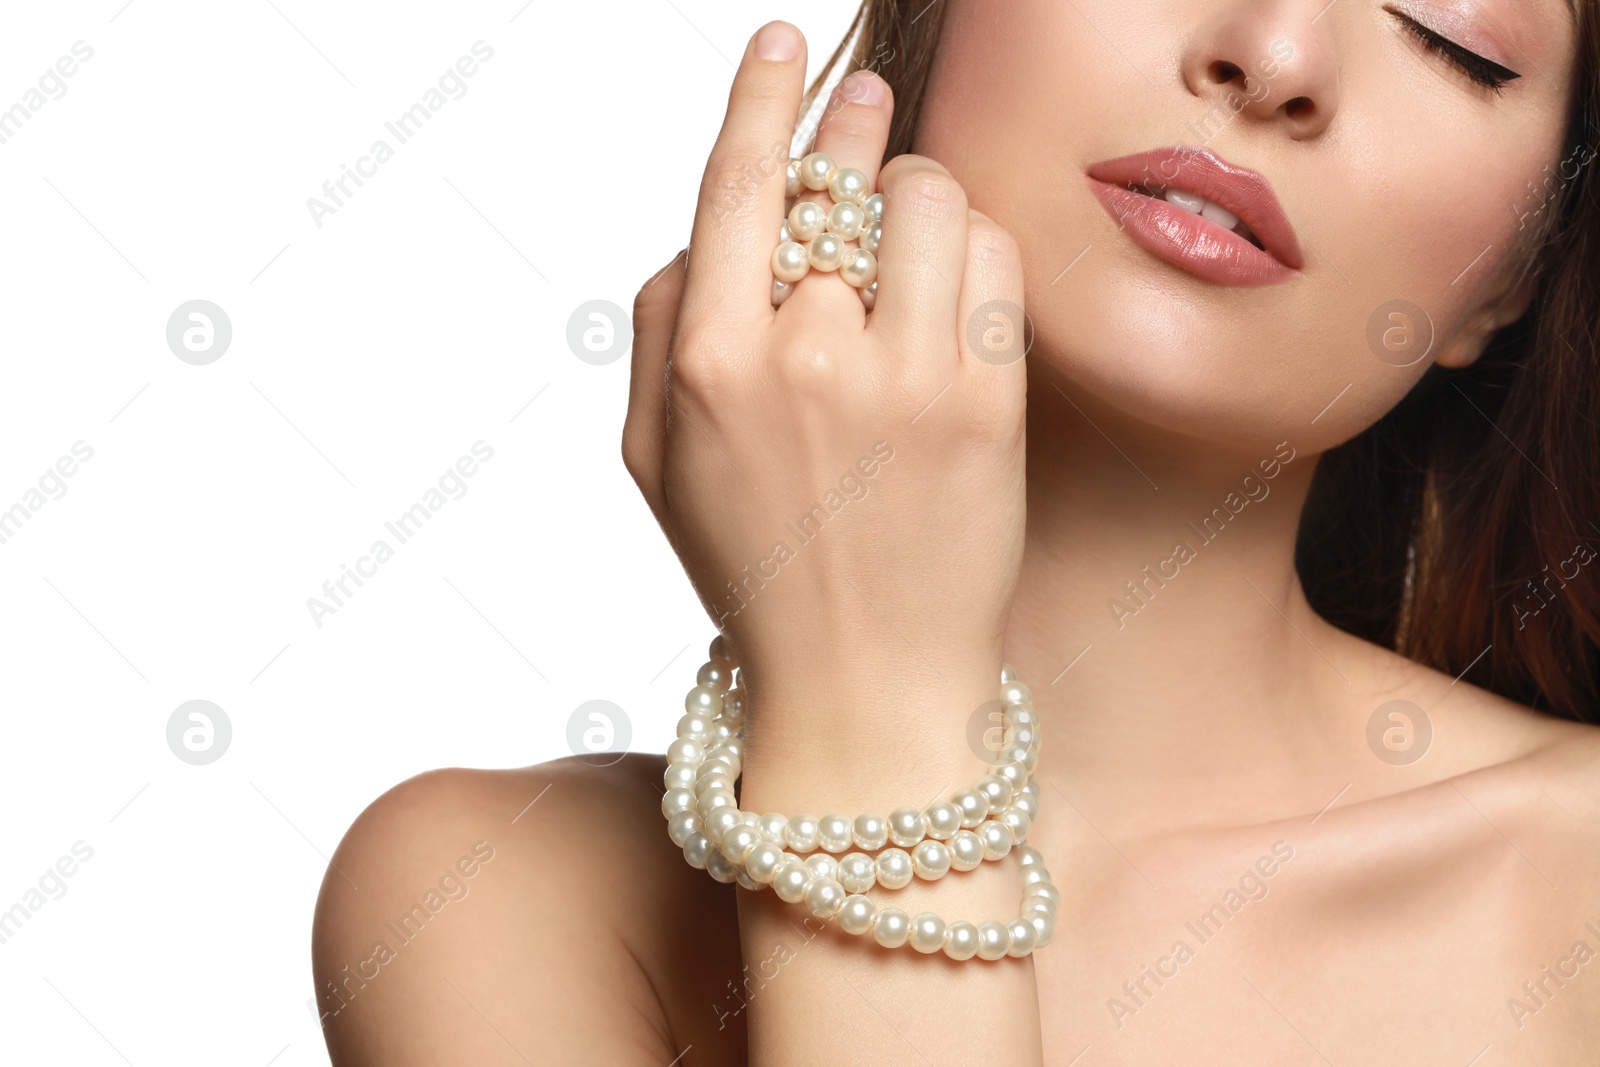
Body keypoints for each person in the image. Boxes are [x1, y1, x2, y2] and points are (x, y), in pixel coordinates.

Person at [312, 3, 1600, 1062]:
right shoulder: (497, 902)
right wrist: (872, 716)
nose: (1273, 57)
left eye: (1453, 30)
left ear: (1517, 275)